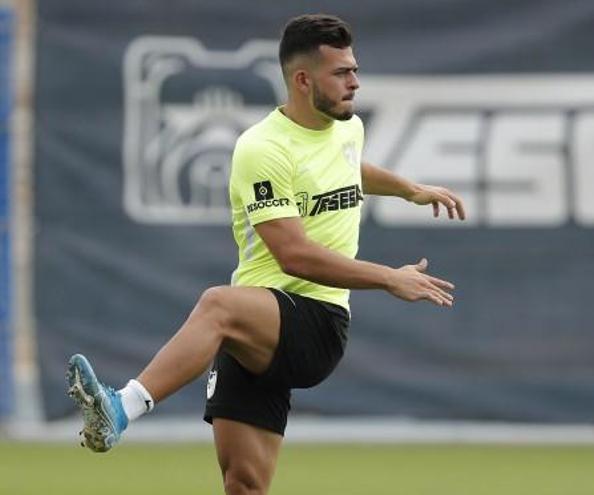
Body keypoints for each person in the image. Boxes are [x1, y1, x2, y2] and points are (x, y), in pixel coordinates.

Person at [66, 13, 465, 495]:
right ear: (302, 80)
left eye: (354, 69)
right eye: (341, 73)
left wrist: (410, 189)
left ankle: (121, 408)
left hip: (315, 324)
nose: (355, 82)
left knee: (219, 305)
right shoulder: (261, 148)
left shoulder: (347, 127)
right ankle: (124, 412)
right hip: (253, 327)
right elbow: (293, 253)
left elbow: (347, 164)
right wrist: (388, 277)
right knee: (244, 484)